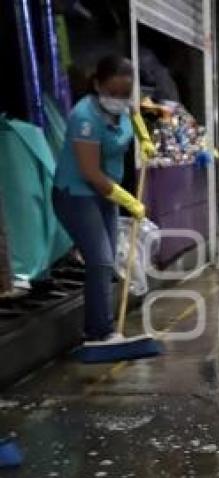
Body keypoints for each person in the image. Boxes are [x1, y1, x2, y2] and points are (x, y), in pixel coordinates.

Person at [53, 55, 151, 344]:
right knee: (100, 261)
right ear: (97, 85)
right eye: (112, 93)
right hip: (77, 195)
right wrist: (129, 201)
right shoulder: (84, 117)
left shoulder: (123, 102)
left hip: (105, 193)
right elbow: (91, 173)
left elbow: (133, 112)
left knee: (108, 265)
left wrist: (145, 138)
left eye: (124, 93)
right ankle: (99, 331)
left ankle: (103, 327)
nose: (119, 99)